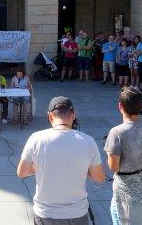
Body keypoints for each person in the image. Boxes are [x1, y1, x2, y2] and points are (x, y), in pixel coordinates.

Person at [17, 96, 105, 225]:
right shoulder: (88, 141)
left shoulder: (36, 138)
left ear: (50, 116)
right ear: (73, 115)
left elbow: (21, 172)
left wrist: (43, 166)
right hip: (77, 213)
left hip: (45, 213)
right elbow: (100, 178)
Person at [105, 87, 142, 224]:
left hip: (127, 190)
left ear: (120, 106)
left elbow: (114, 166)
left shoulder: (116, 132)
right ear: (141, 106)